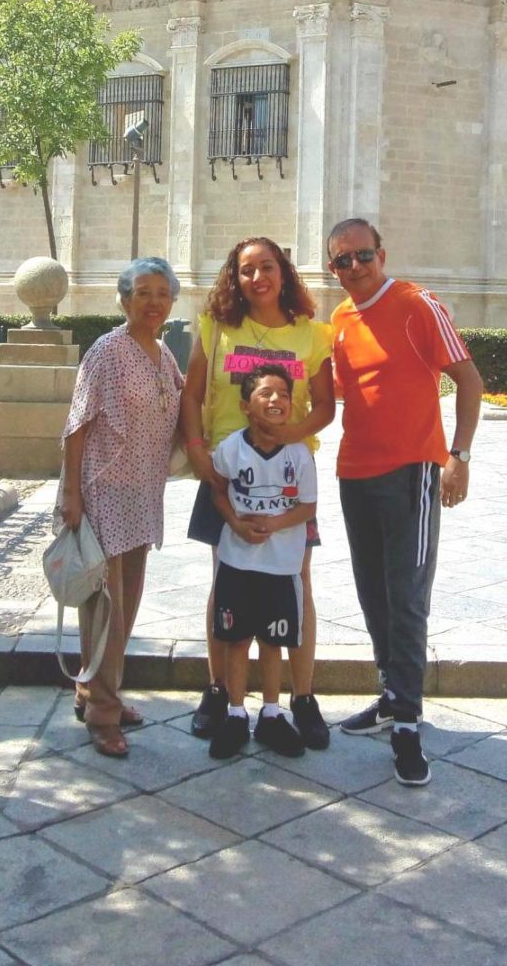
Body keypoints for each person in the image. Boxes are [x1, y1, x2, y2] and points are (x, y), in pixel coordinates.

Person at [327, 218, 483, 787]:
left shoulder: (418, 304)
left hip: (412, 471)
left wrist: (458, 455)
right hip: (354, 474)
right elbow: (338, 394)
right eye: (342, 261)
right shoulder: (340, 321)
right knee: (373, 594)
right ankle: (391, 696)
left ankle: (409, 725)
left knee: (407, 594)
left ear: (381, 254)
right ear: (332, 269)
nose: (354, 268)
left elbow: (469, 381)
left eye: (362, 256)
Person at [180, 236, 334, 749]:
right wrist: (199, 451)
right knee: (226, 581)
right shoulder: (216, 328)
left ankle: (302, 697)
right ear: (235, 278)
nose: (257, 278)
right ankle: (220, 690)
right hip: (228, 474)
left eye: (266, 267)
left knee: (295, 583)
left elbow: (325, 408)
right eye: (246, 271)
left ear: (283, 272)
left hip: (286, 479)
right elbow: (192, 393)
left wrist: (290, 435)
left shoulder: (312, 335)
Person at [60, 257, 183, 758]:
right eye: (143, 292)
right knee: (105, 607)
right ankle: (103, 715)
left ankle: (94, 690)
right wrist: (71, 492)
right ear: (125, 299)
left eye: (162, 293)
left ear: (172, 301)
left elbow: (182, 404)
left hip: (143, 495)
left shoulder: (162, 353)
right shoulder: (107, 350)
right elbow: (77, 423)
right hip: (103, 493)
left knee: (125, 603)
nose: (153, 302)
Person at [207, 364, 318, 760]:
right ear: (245, 406)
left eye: (284, 394)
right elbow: (218, 490)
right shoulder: (230, 449)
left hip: (281, 566)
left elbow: (308, 506)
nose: (276, 400)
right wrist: (236, 523)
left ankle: (272, 713)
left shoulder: (300, 453)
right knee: (236, 640)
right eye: (266, 394)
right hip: (238, 561)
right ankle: (236, 713)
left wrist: (275, 522)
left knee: (273, 642)